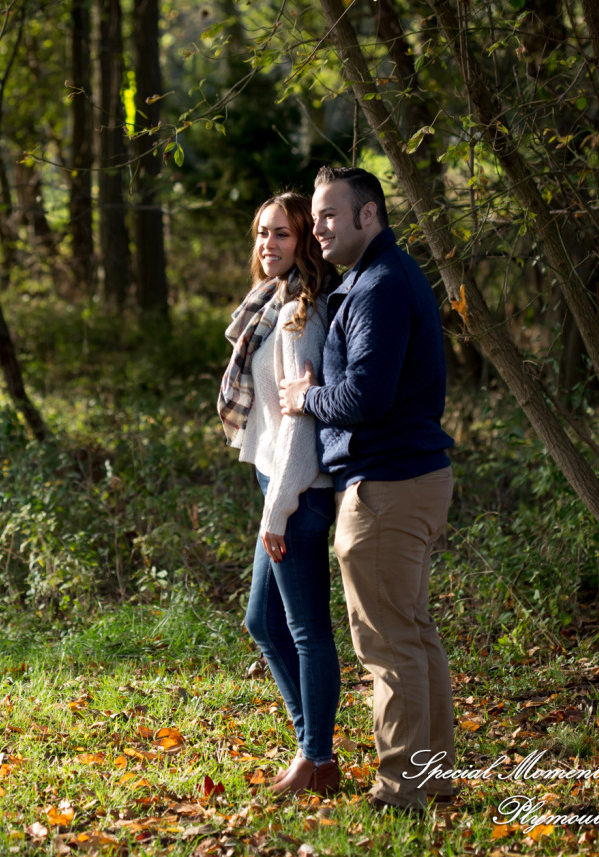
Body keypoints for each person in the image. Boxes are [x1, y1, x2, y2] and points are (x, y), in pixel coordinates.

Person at [279, 166, 455, 813]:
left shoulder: (379, 285)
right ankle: (431, 778)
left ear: (368, 216)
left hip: (387, 486)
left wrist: (304, 396)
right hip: (408, 479)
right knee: (412, 633)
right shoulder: (377, 277)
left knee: (386, 643)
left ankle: (401, 787)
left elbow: (365, 396)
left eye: (328, 214)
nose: (316, 227)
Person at [217, 191, 342, 797]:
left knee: (304, 629)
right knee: (263, 622)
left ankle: (315, 758)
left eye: (284, 235)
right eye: (263, 233)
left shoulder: (299, 315)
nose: (269, 245)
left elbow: (300, 422)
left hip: (299, 492)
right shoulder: (272, 303)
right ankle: (313, 751)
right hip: (280, 485)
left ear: (306, 244)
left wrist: (279, 507)